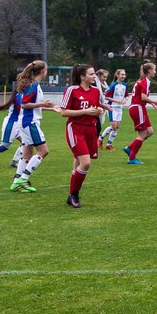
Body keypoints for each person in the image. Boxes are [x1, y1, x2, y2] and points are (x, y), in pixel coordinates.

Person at [59, 63, 107, 208]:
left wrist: (98, 110)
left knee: (78, 162)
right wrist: (85, 112)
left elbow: (95, 106)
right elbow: (64, 112)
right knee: (85, 163)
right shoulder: (72, 90)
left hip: (90, 129)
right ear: (82, 76)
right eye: (91, 74)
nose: (94, 76)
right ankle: (74, 195)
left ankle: (70, 195)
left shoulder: (95, 91)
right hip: (75, 129)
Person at [10, 60, 56, 193]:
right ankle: (23, 179)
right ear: (43, 71)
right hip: (29, 123)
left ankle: (15, 183)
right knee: (43, 151)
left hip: (25, 122)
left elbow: (32, 106)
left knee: (27, 155)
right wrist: (43, 105)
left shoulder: (34, 84)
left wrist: (52, 108)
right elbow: (25, 104)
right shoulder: (33, 85)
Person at [124, 60, 157, 165]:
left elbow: (141, 97)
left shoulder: (141, 80)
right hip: (138, 108)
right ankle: (132, 158)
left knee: (150, 132)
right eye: (154, 70)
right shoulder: (146, 81)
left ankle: (129, 148)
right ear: (150, 71)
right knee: (142, 134)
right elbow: (143, 97)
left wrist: (152, 104)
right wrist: (155, 102)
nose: (155, 72)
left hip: (139, 107)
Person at [101, 68, 128, 150]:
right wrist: (117, 100)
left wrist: (125, 100)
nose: (123, 76)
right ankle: (100, 138)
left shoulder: (125, 85)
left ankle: (109, 144)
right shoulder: (113, 85)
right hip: (112, 107)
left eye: (124, 74)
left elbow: (127, 95)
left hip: (120, 108)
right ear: (117, 75)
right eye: (122, 74)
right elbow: (107, 97)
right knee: (113, 126)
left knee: (117, 127)